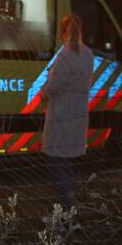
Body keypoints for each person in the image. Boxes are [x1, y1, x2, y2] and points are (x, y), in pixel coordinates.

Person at [41, 15, 94, 206]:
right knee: (69, 164)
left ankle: (66, 211)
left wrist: (43, 92)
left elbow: (52, 87)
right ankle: (70, 212)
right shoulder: (87, 54)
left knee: (56, 165)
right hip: (79, 115)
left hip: (61, 116)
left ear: (63, 33)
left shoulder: (64, 55)